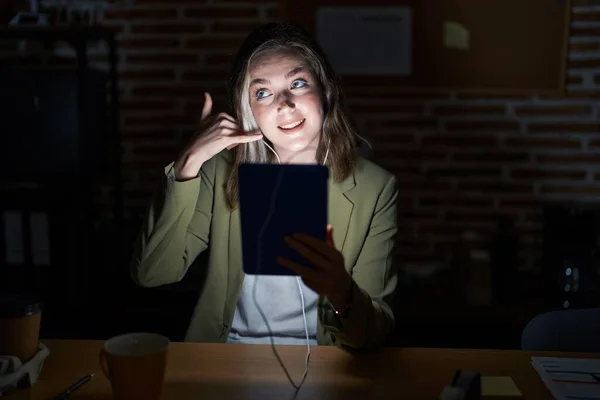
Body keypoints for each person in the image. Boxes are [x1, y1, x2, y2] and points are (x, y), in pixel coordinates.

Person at [130, 22, 399, 350]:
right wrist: (188, 164)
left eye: (298, 83)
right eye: (263, 92)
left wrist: (342, 292)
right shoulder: (221, 171)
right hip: (228, 358)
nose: (284, 104)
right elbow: (153, 273)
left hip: (321, 365)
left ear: (325, 92)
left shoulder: (376, 188)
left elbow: (374, 332)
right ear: (249, 110)